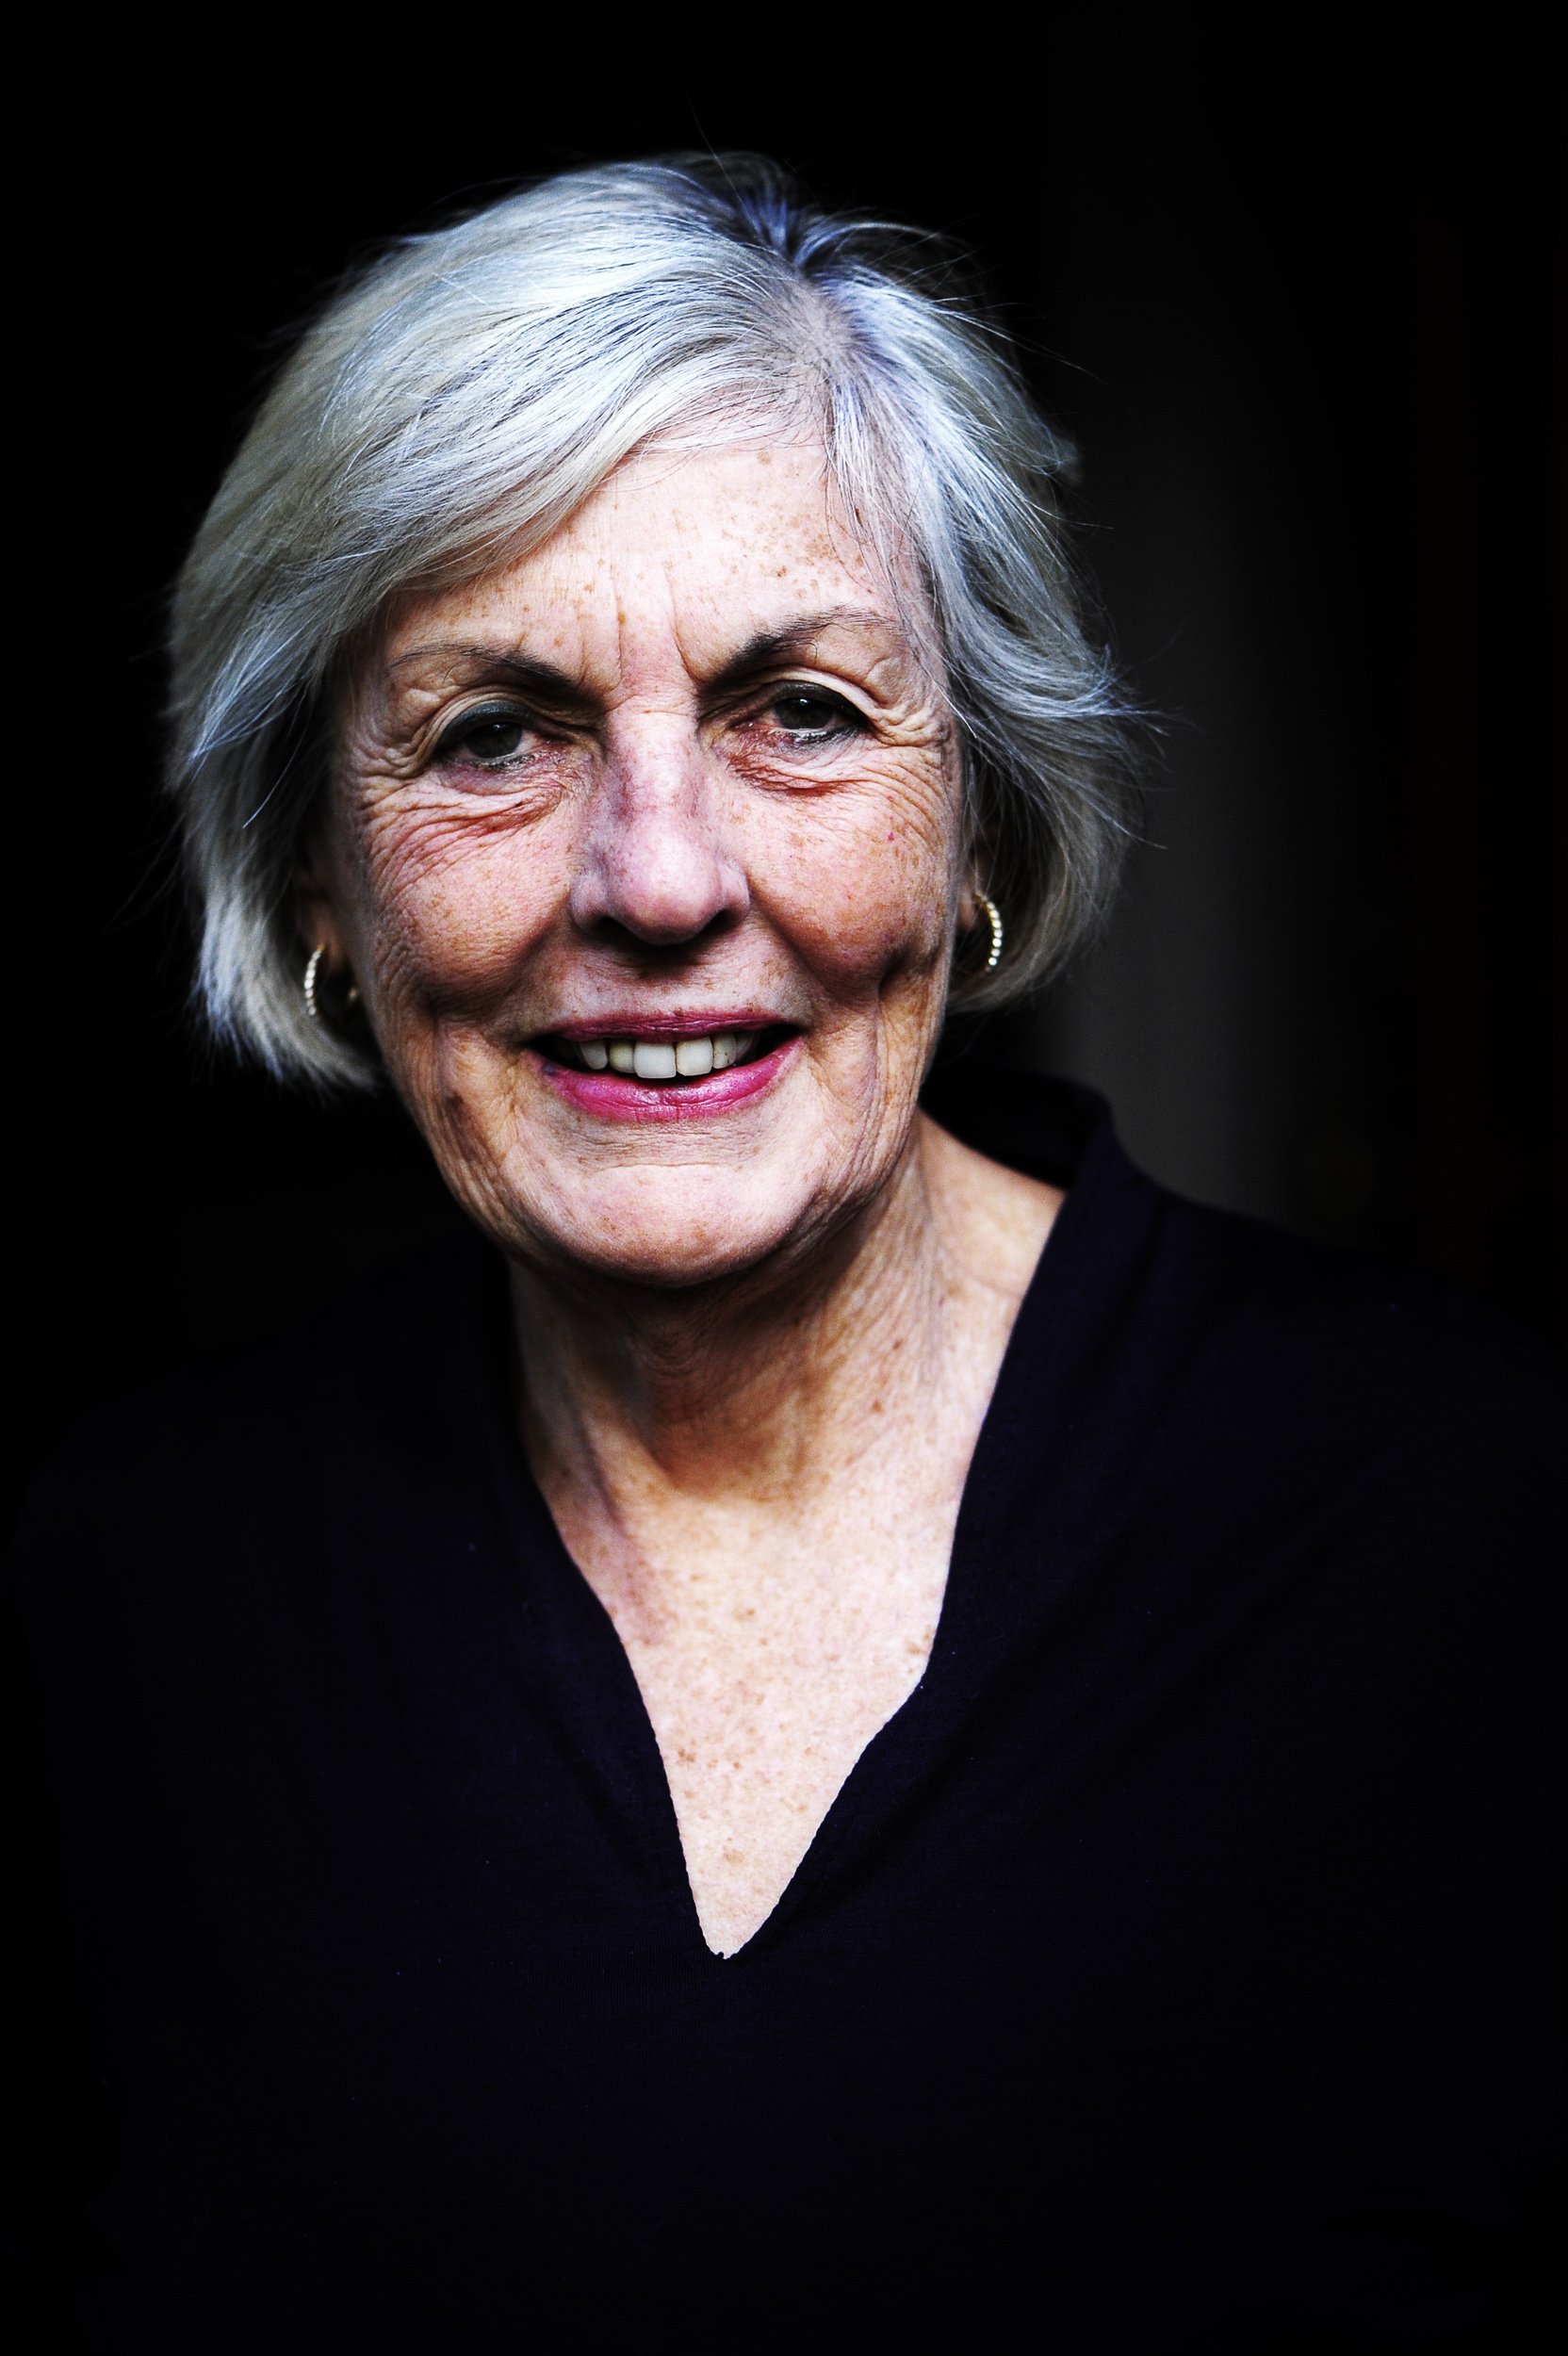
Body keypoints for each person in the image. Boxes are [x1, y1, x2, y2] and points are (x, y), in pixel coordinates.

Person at [6, 155, 1561, 2352]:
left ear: (977, 826)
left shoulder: (1455, 1518)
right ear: (320, 884)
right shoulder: (138, 1595)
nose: (655, 875)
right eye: (496, 733)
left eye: (798, 710)